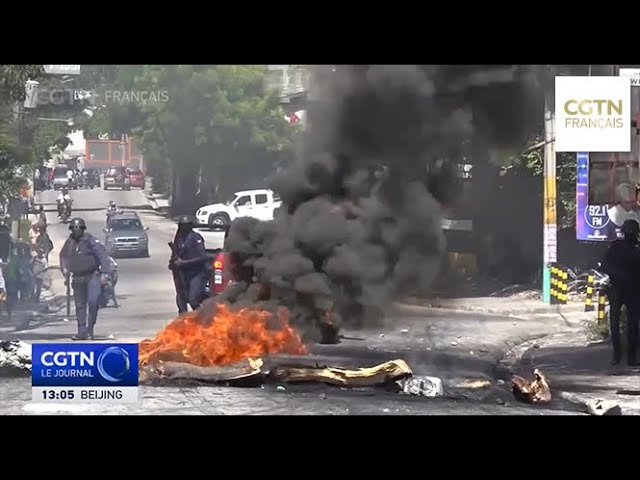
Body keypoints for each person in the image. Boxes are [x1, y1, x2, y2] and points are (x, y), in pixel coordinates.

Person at [59, 218, 111, 340]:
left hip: (91, 276)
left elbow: (102, 256)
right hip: (77, 277)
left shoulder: (91, 241)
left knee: (93, 302)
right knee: (79, 305)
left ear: (83, 229)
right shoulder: (70, 241)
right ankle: (81, 331)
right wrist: (64, 268)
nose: (76, 231)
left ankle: (90, 330)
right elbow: (63, 256)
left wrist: (104, 273)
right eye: (73, 228)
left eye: (78, 228)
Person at [601, 219, 640, 366]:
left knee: (616, 324)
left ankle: (617, 356)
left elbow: (604, 266)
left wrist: (614, 276)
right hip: (633, 291)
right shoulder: (636, 249)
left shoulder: (615, 247)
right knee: (633, 324)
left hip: (617, 289)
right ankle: (631, 358)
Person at [169, 215, 209, 315]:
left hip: (196, 273)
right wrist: (173, 263)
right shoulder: (179, 238)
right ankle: (183, 323)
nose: (183, 228)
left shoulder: (196, 238)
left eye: (186, 225)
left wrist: (185, 262)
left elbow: (202, 257)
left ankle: (202, 318)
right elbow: (176, 254)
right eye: (182, 225)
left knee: (193, 299)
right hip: (183, 274)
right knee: (181, 300)